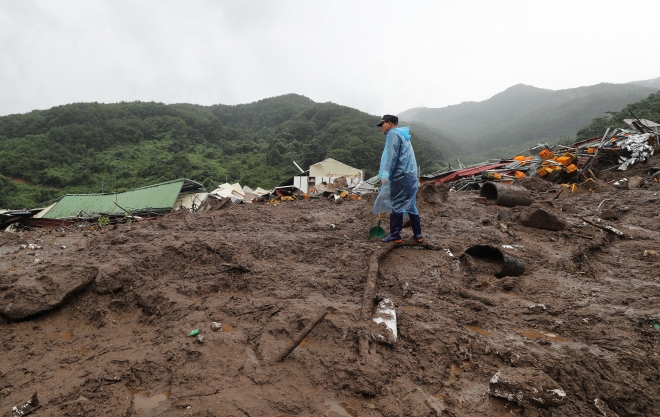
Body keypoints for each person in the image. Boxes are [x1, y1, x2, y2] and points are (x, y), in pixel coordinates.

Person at [373, 114, 423, 243]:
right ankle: (418, 235)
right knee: (411, 204)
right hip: (411, 176)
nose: (381, 128)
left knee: (396, 203)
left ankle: (395, 235)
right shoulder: (404, 135)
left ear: (389, 123)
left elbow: (391, 155)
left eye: (382, 124)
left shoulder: (392, 134)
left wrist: (385, 173)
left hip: (400, 176)